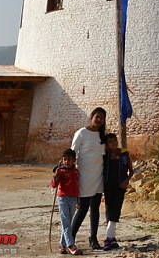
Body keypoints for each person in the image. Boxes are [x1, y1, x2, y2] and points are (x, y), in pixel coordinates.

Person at [70, 107, 106, 250]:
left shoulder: (103, 136)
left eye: (102, 118)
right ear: (91, 117)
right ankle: (70, 238)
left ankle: (94, 238)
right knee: (83, 208)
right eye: (97, 117)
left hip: (99, 175)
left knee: (95, 208)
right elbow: (72, 153)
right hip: (85, 176)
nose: (99, 120)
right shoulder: (81, 133)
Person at [101, 132, 134, 251]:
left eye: (115, 140)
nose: (114, 143)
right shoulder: (105, 155)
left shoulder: (124, 154)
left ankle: (109, 239)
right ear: (107, 145)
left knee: (116, 210)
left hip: (120, 187)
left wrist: (126, 181)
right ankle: (111, 238)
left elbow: (131, 170)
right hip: (108, 187)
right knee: (110, 211)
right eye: (110, 141)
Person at [50, 148, 82, 255]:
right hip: (63, 199)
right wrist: (56, 175)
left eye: (69, 160)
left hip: (73, 199)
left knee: (68, 222)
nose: (66, 162)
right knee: (66, 223)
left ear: (74, 160)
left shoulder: (76, 171)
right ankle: (70, 245)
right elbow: (54, 185)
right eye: (64, 159)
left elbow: (77, 186)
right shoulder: (61, 171)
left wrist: (78, 200)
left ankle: (62, 244)